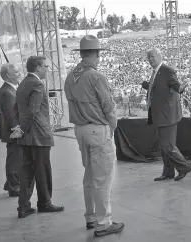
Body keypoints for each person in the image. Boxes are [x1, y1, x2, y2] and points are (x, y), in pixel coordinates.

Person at [64, 35, 124, 237]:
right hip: (97, 130)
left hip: (79, 130)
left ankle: (90, 217)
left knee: (89, 175)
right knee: (103, 178)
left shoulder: (71, 76)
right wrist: (113, 126)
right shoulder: (96, 76)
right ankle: (104, 222)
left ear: (81, 54)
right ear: (96, 54)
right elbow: (108, 106)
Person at [10, 56, 64, 218]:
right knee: (43, 170)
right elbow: (33, 111)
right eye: (46, 66)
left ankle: (24, 206)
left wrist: (19, 128)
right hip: (39, 136)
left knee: (27, 171)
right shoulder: (38, 84)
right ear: (38, 68)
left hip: (26, 138)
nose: (48, 69)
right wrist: (22, 129)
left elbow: (15, 109)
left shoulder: (22, 84)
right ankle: (45, 203)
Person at [141, 48, 191, 181]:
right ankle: (168, 172)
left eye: (152, 56)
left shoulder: (167, 70)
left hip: (167, 115)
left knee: (168, 146)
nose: (150, 60)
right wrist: (147, 85)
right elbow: (160, 88)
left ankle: (184, 167)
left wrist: (181, 88)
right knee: (164, 147)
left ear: (159, 56)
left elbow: (175, 86)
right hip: (160, 115)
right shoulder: (156, 72)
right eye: (148, 58)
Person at [0, 63, 22, 197]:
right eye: (17, 72)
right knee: (15, 158)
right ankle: (14, 187)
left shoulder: (10, 89)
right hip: (14, 131)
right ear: (8, 75)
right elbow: (11, 114)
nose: (19, 74)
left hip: (13, 130)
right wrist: (17, 129)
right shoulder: (7, 92)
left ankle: (11, 183)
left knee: (15, 157)